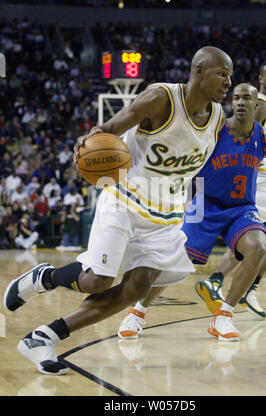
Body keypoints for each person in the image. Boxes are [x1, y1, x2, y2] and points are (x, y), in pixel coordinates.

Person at [3, 46, 232, 375]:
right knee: (98, 280)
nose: (228, 81)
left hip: (166, 215)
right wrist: (87, 143)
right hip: (124, 199)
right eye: (222, 73)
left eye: (230, 75)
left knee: (138, 287)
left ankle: (43, 337)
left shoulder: (218, 117)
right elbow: (107, 128)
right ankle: (45, 277)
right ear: (198, 71)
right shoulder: (160, 98)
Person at [117, 83, 266, 341]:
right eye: (235, 97)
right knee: (177, 260)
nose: (239, 102)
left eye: (246, 98)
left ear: (257, 105)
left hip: (241, 208)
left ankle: (223, 317)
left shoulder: (260, 134)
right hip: (205, 203)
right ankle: (137, 312)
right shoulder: (216, 130)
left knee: (257, 246)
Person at [195, 61, 266, 319]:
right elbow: (243, 139)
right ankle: (248, 286)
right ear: (260, 78)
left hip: (254, 175)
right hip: (253, 176)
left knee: (250, 238)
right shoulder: (261, 104)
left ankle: (217, 280)